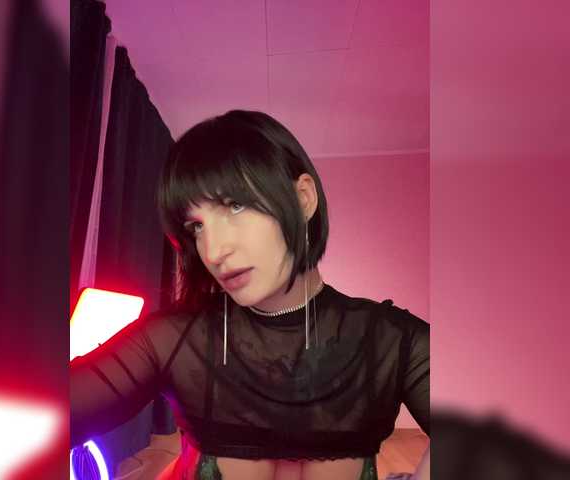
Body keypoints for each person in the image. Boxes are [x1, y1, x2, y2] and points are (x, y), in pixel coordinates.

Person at [70, 110, 430, 480]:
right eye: (196, 226)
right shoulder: (173, 338)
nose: (213, 251)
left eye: (234, 205)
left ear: (303, 199)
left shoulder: (391, 338)